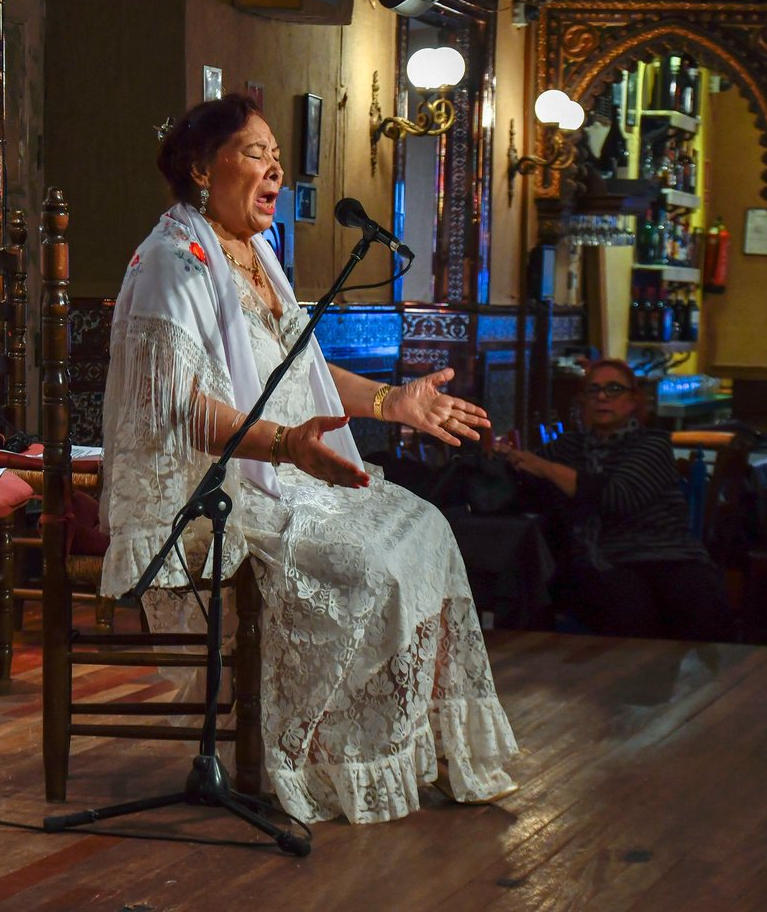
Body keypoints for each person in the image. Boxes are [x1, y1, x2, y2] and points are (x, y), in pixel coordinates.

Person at [99, 94, 517, 825]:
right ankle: (316, 754)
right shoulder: (174, 259)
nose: (275, 172)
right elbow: (180, 409)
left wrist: (391, 402)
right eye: (256, 154)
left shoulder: (257, 254)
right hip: (216, 495)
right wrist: (287, 445)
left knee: (426, 532)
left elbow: (304, 370)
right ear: (202, 166)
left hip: (290, 476)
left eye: (277, 159)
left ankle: (418, 750)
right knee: (368, 564)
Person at [499, 358, 735, 641]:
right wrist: (508, 462)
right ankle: (629, 681)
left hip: (666, 554)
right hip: (602, 558)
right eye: (593, 390)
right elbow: (527, 486)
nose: (602, 397)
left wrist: (547, 469)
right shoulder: (567, 447)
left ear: (633, 401)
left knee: (698, 595)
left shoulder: (652, 444)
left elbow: (617, 496)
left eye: (613, 389)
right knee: (623, 599)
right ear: (583, 402)